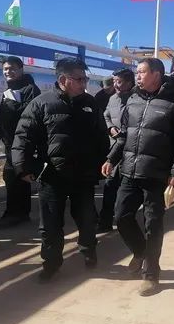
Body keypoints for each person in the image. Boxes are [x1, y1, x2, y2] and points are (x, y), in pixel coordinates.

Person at [102, 58, 174, 297]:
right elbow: (124, 135)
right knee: (121, 216)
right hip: (129, 171)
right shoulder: (133, 99)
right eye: (137, 72)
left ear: (157, 74)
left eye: (142, 72)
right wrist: (111, 158)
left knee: (153, 224)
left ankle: (151, 274)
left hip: (156, 174)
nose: (138, 76)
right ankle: (141, 252)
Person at [12, 58, 109, 282]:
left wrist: (104, 162)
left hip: (83, 175)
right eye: (79, 79)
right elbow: (23, 137)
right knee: (50, 224)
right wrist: (22, 166)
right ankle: (51, 264)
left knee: (87, 219)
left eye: (85, 78)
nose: (84, 83)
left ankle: (89, 251)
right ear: (63, 79)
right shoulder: (41, 103)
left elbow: (100, 136)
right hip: (52, 175)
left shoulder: (90, 103)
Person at [0, 56, 41, 228]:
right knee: (15, 177)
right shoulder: (10, 89)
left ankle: (14, 214)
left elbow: (31, 115)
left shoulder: (31, 89)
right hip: (10, 142)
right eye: (5, 69)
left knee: (15, 176)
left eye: (12, 68)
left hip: (22, 143)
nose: (8, 72)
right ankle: (20, 213)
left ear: (21, 69)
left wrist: (12, 105)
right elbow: (3, 115)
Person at [97, 67, 135, 233]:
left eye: (119, 82)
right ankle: (105, 221)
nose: (115, 85)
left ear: (129, 83)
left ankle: (125, 221)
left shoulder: (136, 100)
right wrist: (110, 127)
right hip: (114, 150)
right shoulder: (112, 99)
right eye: (114, 81)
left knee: (127, 189)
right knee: (110, 186)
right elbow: (106, 115)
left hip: (130, 150)